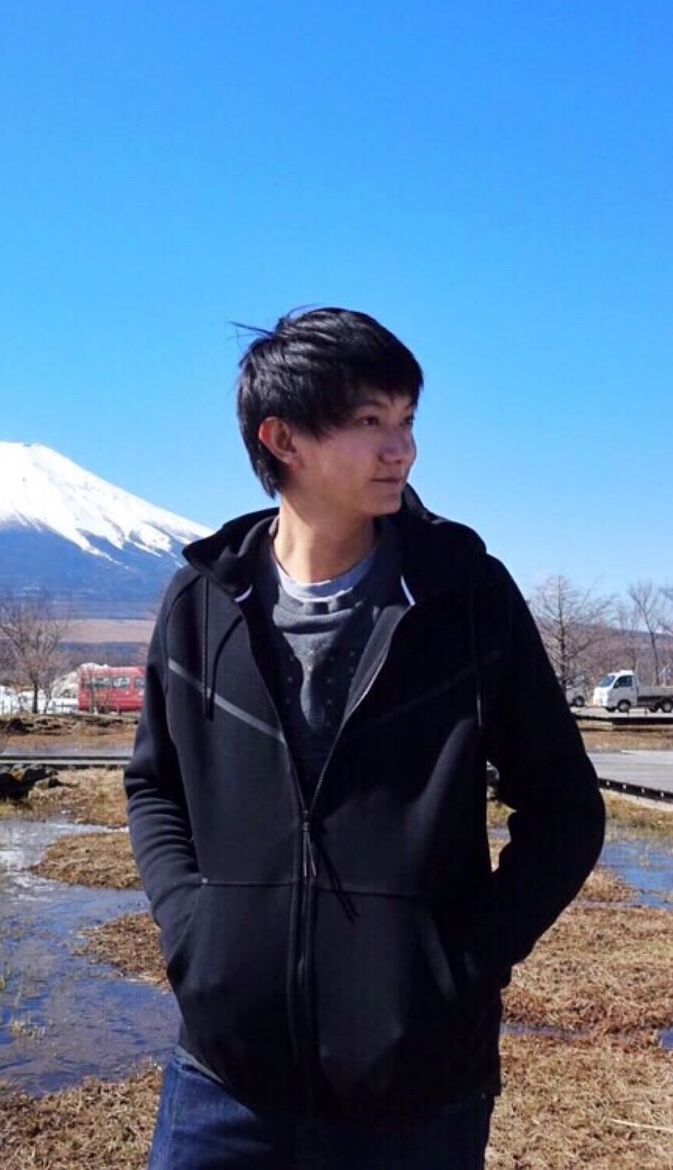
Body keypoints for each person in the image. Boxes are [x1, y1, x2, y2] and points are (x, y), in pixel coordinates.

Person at [125, 307, 605, 1168]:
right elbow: (154, 785)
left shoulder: (466, 597)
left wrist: (463, 962)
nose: (403, 449)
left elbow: (566, 808)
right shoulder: (202, 603)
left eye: (408, 419)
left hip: (420, 1090)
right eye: (370, 421)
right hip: (223, 1085)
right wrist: (194, 932)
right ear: (282, 440)